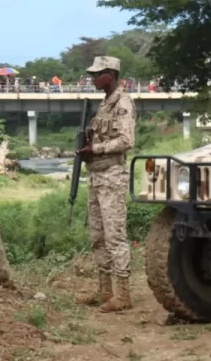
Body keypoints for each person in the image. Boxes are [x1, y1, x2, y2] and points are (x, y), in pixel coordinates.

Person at [75, 56, 136, 313]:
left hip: (112, 175)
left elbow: (126, 140)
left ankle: (123, 294)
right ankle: (104, 288)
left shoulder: (123, 102)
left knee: (115, 237)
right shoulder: (103, 105)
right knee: (98, 237)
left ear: (110, 74)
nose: (93, 78)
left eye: (97, 74)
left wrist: (96, 148)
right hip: (97, 175)